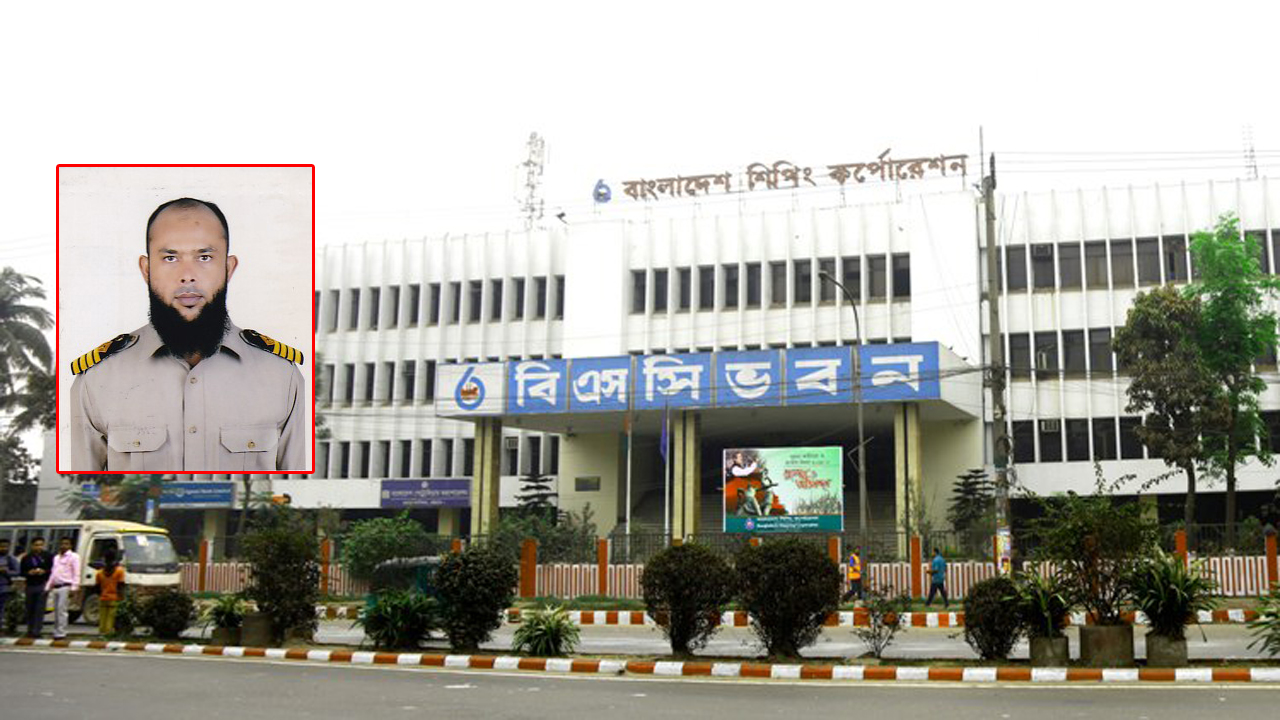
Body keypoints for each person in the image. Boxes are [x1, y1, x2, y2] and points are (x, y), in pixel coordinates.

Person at [68, 197, 306, 471]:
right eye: (170, 258)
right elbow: (82, 487)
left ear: (228, 268)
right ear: (146, 269)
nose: (187, 276)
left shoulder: (282, 375)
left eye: (204, 257)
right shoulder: (96, 379)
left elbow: (296, 485)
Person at [46, 537, 82, 640]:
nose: (63, 546)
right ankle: (56, 631)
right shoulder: (56, 557)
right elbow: (53, 573)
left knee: (62, 610)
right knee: (56, 610)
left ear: (70, 545)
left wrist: (74, 588)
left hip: (66, 586)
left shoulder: (74, 557)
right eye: (62, 544)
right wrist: (48, 586)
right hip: (56, 586)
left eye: (66, 544)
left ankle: (61, 632)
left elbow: (76, 572)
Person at [20, 537, 52, 637]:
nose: (39, 547)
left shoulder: (48, 556)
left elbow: (52, 570)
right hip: (30, 585)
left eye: (41, 545)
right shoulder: (27, 557)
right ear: (32, 546)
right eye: (36, 545)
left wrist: (44, 571)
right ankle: (30, 630)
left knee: (39, 609)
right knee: (30, 609)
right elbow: (22, 572)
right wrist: (29, 573)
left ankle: (37, 631)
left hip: (42, 584)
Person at [95, 547, 126, 637]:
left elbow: (97, 587)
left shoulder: (99, 573)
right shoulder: (119, 571)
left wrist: (101, 594)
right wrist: (122, 598)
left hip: (103, 598)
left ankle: (102, 633)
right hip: (114, 598)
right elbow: (120, 586)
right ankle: (108, 634)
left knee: (103, 618)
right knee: (111, 619)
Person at [0, 539, 19, 627]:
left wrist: (6, 571)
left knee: (1, 609)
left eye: (5, 547)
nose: (3, 548)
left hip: (3, 587)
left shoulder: (10, 559)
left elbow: (17, 572)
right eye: (1, 546)